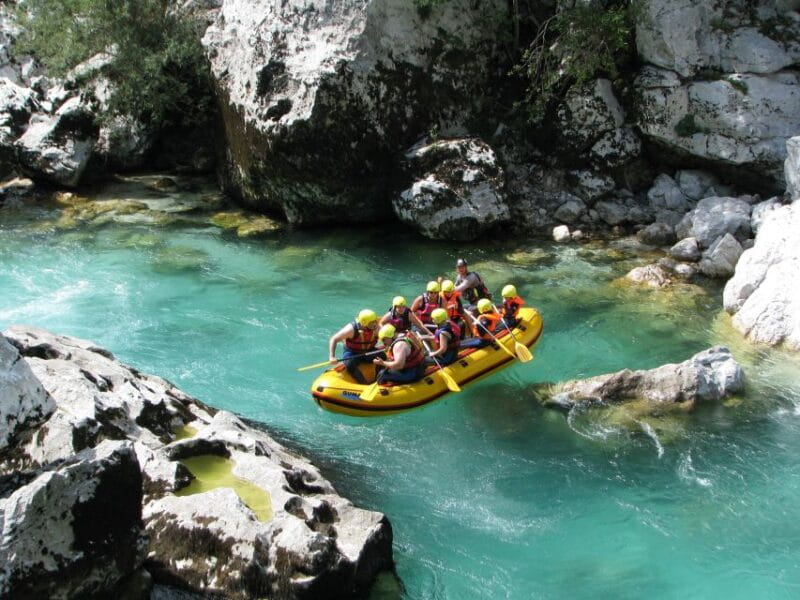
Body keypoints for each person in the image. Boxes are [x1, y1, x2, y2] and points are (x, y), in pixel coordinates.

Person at [329, 309, 380, 384]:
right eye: (372, 322)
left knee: (382, 355)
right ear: (364, 322)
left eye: (375, 321)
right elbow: (334, 339)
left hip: (368, 351)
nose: (375, 324)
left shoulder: (376, 328)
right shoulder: (351, 329)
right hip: (352, 353)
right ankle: (363, 384)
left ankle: (378, 379)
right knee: (349, 364)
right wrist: (332, 356)